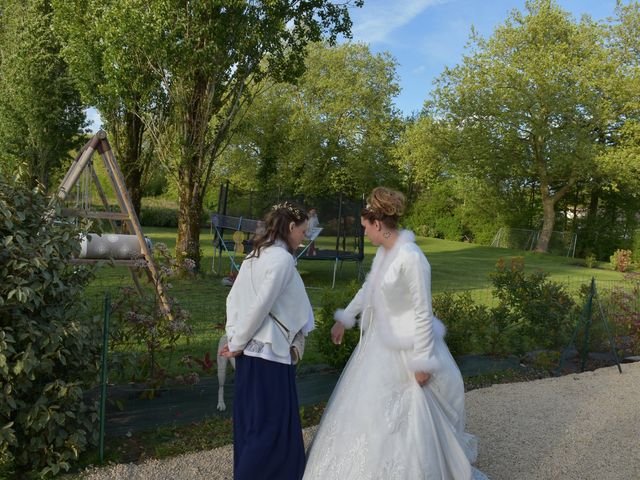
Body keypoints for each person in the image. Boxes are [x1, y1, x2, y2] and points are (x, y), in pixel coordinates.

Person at [303, 187, 488, 480]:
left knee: (410, 417)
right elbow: (370, 288)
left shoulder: (412, 258)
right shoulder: (385, 252)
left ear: (378, 224)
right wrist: (345, 317)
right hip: (380, 344)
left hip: (409, 346)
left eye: (365, 228)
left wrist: (423, 362)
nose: (365, 235)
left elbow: (422, 311)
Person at [220, 201, 314, 480]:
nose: (304, 237)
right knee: (271, 427)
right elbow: (261, 305)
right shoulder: (282, 259)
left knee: (253, 425)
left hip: (250, 353)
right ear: (291, 227)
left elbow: (233, 300)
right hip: (270, 354)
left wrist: (235, 337)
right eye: (303, 231)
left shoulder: (254, 256)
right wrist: (236, 343)